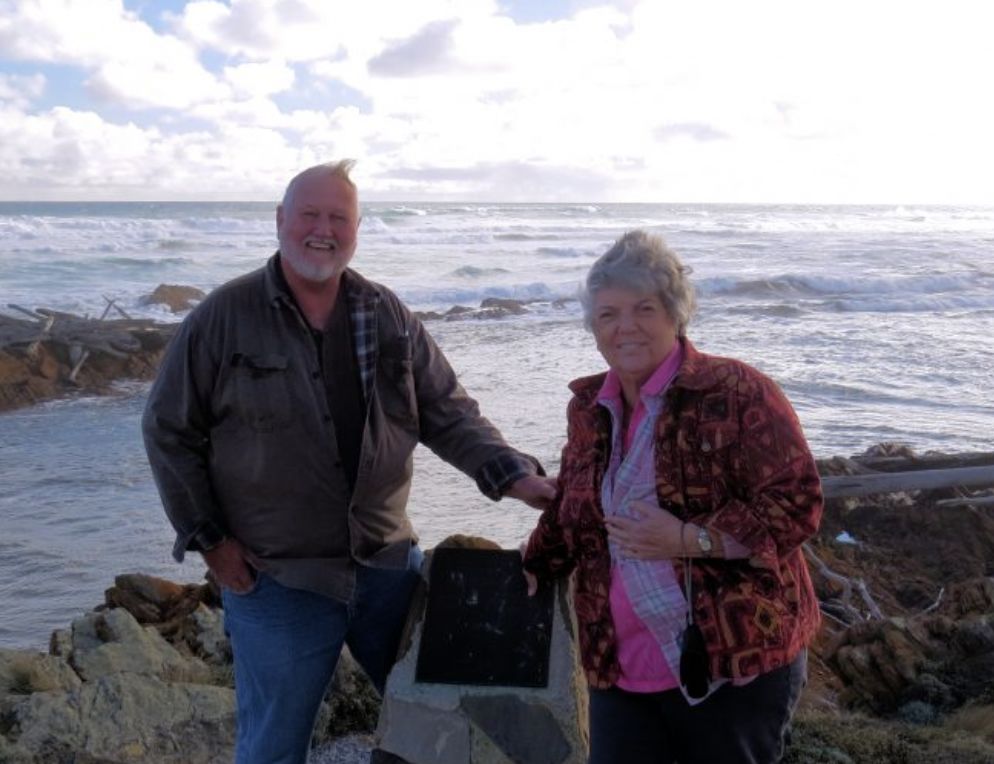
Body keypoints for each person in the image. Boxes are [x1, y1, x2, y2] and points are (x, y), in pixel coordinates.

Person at [142, 160, 555, 764]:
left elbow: (446, 410)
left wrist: (515, 476)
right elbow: (168, 431)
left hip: (387, 567)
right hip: (277, 577)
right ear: (281, 220)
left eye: (339, 217)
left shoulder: (386, 314)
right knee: (273, 748)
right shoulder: (223, 317)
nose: (322, 229)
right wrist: (211, 543)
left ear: (357, 229)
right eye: (309, 214)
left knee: (432, 723)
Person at [522, 230, 822, 764]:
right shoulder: (590, 405)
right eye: (608, 314)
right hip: (618, 660)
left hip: (733, 659)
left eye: (645, 308)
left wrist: (689, 538)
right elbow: (574, 504)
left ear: (675, 314)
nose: (626, 327)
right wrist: (534, 564)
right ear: (593, 326)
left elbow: (797, 502)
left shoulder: (736, 391)